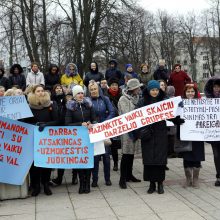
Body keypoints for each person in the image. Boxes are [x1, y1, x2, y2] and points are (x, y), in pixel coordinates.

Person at [135, 80, 184, 194]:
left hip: (160, 134)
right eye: (152, 90)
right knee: (149, 160)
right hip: (148, 135)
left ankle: (160, 183)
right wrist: (138, 132)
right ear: (148, 90)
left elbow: (169, 115)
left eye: (156, 90)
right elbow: (135, 117)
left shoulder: (163, 101)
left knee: (160, 160)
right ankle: (151, 184)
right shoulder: (142, 102)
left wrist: (176, 120)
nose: (155, 92)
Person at [26, 85, 59, 196]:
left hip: (47, 139)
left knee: (46, 162)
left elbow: (57, 120)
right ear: (34, 93)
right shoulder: (29, 106)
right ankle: (36, 186)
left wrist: (46, 125)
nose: (41, 92)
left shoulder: (50, 105)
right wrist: (35, 125)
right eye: (38, 91)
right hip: (33, 139)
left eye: (42, 91)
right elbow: (24, 122)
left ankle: (45, 183)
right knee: (35, 164)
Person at [65, 85, 97, 194]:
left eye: (82, 93)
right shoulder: (70, 107)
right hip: (77, 139)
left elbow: (94, 118)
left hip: (88, 137)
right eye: (78, 93)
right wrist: (80, 124)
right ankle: (81, 183)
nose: (81, 95)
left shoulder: (88, 105)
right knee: (79, 162)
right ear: (74, 95)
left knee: (88, 161)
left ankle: (87, 184)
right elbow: (68, 124)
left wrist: (91, 123)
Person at [88, 81, 115, 187]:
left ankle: (107, 179)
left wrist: (103, 123)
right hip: (93, 131)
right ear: (89, 91)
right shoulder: (88, 101)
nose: (94, 91)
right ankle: (94, 180)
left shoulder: (105, 99)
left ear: (98, 89)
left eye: (95, 89)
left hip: (104, 130)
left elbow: (112, 111)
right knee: (95, 156)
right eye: (91, 90)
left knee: (106, 156)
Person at [118, 78, 142, 189]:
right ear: (132, 89)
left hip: (135, 129)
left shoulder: (137, 98)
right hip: (127, 130)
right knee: (126, 154)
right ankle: (122, 179)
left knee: (131, 154)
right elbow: (126, 114)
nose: (139, 89)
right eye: (138, 88)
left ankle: (129, 174)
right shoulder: (123, 99)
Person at [181, 84, 205, 188]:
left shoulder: (201, 104)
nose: (190, 93)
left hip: (197, 135)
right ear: (185, 93)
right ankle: (188, 178)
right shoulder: (180, 103)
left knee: (197, 156)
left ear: (195, 92)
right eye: (188, 92)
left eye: (192, 91)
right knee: (187, 156)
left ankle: (195, 179)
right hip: (186, 135)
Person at [204, 77, 220, 186]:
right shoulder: (207, 102)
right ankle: (218, 176)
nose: (216, 89)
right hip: (214, 133)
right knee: (216, 155)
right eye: (214, 87)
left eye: (218, 87)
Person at [107, 77, 122, 171]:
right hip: (111, 121)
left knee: (122, 143)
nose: (114, 87)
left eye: (116, 85)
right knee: (113, 144)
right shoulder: (106, 96)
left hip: (121, 120)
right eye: (112, 85)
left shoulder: (121, 95)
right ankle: (115, 163)